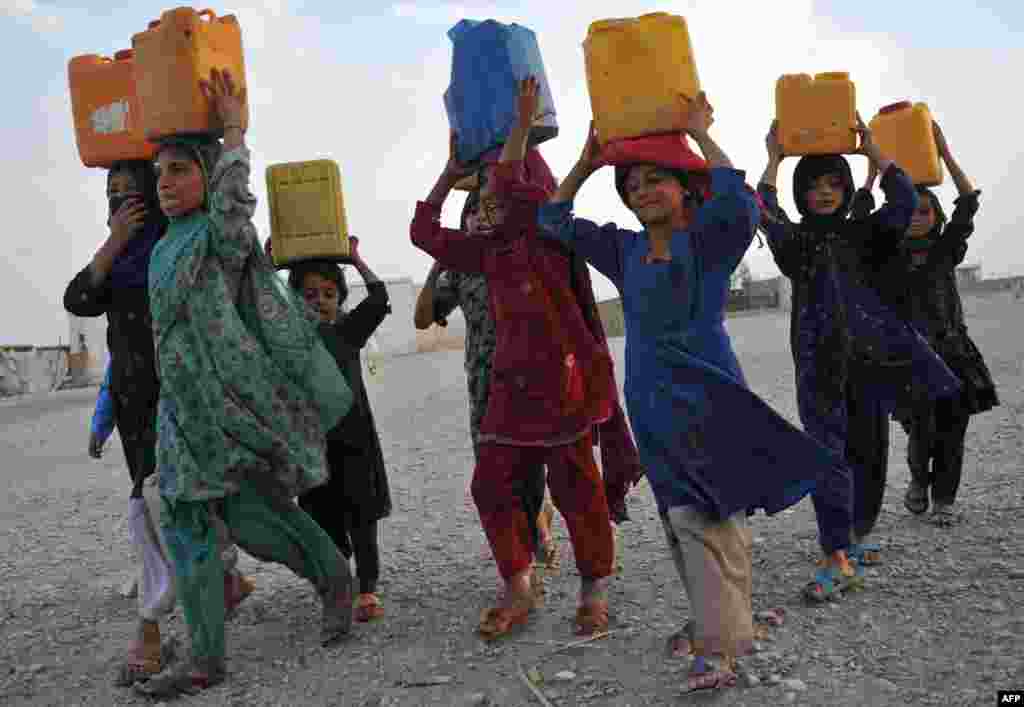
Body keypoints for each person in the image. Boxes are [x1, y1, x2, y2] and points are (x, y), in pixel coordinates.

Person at [537, 84, 868, 691]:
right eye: (632, 184)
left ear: (685, 186)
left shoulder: (709, 242)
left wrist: (699, 134)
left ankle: (718, 650)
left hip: (708, 392)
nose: (642, 191)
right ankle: (723, 620)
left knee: (710, 511)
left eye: (655, 179)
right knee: (681, 514)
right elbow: (552, 222)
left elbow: (741, 203)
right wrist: (585, 163)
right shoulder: (624, 249)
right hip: (651, 401)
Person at [134, 69, 355, 698]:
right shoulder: (162, 248)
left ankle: (333, 578)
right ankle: (205, 658)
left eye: (180, 170)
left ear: (206, 172)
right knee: (185, 527)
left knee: (256, 520)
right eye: (160, 175)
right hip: (182, 415)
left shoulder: (219, 237)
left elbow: (235, 205)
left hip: (228, 407)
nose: (167, 184)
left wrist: (232, 131)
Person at [410, 83, 618, 640]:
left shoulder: (543, 233)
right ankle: (518, 582)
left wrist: (519, 131)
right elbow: (423, 232)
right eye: (477, 205)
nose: (485, 208)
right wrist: (449, 170)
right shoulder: (485, 252)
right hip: (509, 390)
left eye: (493, 200)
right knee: (492, 486)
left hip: (562, 384)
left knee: (577, 489)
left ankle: (594, 587)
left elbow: (512, 189)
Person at [64, 156, 255, 687]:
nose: (123, 205)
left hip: (178, 396)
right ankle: (226, 579)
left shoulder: (171, 247)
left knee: (150, 507)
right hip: (132, 405)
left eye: (132, 194)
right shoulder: (118, 259)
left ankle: (152, 627)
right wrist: (103, 414)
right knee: (173, 499)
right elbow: (78, 300)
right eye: (113, 196)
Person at [757, 118, 961, 580]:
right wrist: (773, 159)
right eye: (814, 185)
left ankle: (856, 536)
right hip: (817, 365)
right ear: (802, 193)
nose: (825, 192)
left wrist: (873, 152)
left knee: (870, 453)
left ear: (847, 189)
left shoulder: (865, 235)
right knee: (827, 455)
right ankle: (834, 552)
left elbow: (906, 199)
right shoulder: (796, 243)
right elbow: (764, 212)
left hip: (869, 364)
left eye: (834, 183)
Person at [861, 121, 998, 524]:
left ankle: (944, 502)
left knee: (952, 434)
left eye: (926, 211)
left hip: (954, 353)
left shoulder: (945, 250)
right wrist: (872, 171)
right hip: (909, 359)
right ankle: (919, 480)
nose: (918, 217)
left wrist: (946, 153)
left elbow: (968, 201)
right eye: (912, 210)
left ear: (936, 216)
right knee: (921, 433)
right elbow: (860, 217)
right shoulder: (885, 257)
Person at [288, 240, 394, 622]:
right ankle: (339, 585)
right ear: (293, 299)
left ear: (340, 298)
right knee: (322, 520)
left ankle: (367, 590)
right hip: (311, 449)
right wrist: (266, 265)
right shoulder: (289, 341)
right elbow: (256, 310)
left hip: (354, 445)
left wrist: (355, 259)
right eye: (310, 294)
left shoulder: (349, 331)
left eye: (330, 294)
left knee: (362, 521)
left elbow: (379, 297)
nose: (320, 301)